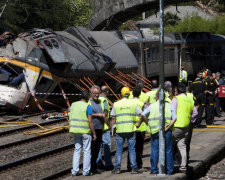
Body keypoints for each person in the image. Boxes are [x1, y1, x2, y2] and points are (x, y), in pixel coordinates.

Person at [139, 90, 177, 175]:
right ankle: (169, 170)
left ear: (157, 97)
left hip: (155, 131)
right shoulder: (169, 105)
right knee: (168, 150)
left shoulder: (152, 106)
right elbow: (174, 118)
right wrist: (167, 127)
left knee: (155, 151)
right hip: (167, 131)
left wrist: (147, 123)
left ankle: (154, 169)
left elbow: (142, 115)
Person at [111, 87, 142, 174]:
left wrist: (111, 130)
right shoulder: (133, 103)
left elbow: (113, 118)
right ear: (129, 94)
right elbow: (141, 115)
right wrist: (138, 124)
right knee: (132, 149)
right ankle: (134, 168)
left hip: (120, 130)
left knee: (119, 150)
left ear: (121, 94)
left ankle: (117, 168)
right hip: (131, 129)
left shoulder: (116, 104)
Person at [171, 83, 197, 173]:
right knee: (182, 146)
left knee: (169, 145)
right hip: (186, 127)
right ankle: (183, 167)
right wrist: (191, 121)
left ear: (177, 91)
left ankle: (168, 167)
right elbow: (195, 113)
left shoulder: (176, 99)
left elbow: (172, 112)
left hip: (175, 127)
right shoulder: (190, 100)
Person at [69, 91, 96, 176]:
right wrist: (94, 133)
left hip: (76, 130)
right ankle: (86, 171)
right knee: (87, 151)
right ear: (87, 98)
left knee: (77, 150)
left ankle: (75, 171)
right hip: (85, 132)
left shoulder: (73, 104)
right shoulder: (87, 106)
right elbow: (90, 121)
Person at [89, 85, 110, 174]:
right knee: (92, 149)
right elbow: (89, 114)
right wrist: (98, 114)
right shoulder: (89, 102)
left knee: (97, 149)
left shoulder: (101, 101)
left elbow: (104, 112)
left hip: (100, 128)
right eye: (95, 94)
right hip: (92, 129)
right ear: (91, 93)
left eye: (97, 94)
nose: (96, 96)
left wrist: (104, 114)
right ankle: (91, 168)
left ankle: (95, 167)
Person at [127, 86, 146, 170]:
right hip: (140, 128)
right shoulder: (141, 104)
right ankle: (138, 164)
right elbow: (143, 115)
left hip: (130, 127)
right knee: (139, 148)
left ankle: (129, 165)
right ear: (140, 94)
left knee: (131, 147)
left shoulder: (128, 102)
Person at [96, 85, 114, 170]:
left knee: (99, 146)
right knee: (107, 145)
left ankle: (98, 163)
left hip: (97, 126)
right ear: (106, 92)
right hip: (104, 127)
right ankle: (108, 164)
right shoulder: (104, 100)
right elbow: (105, 115)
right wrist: (110, 126)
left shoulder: (95, 99)